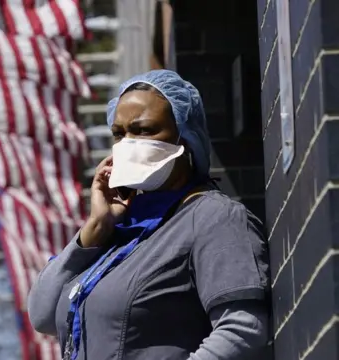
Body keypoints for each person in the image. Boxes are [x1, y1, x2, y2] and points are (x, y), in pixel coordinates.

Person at [28, 69, 270, 360]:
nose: (129, 143)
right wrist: (95, 228)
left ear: (186, 137)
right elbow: (42, 316)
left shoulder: (213, 217)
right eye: (119, 133)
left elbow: (243, 330)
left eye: (144, 130)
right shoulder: (120, 232)